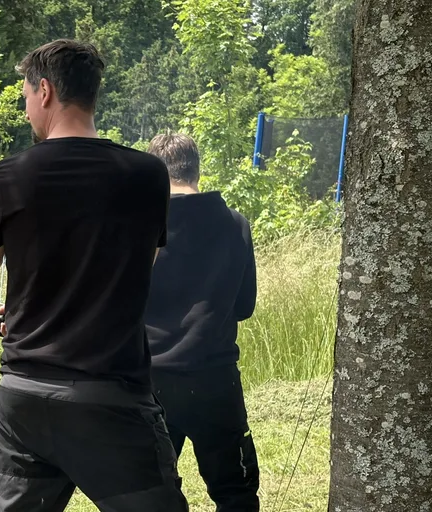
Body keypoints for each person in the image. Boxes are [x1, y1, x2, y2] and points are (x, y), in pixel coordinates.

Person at [0, 39, 189, 512]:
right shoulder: (147, 175)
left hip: (27, 401)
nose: (25, 110)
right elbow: (135, 267)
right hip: (112, 400)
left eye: (24, 96)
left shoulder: (8, 177)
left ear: (45, 91)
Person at [143, 132, 261, 511]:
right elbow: (244, 306)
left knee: (152, 493)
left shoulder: (139, 225)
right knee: (235, 492)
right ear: (196, 170)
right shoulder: (235, 223)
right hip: (215, 377)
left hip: (148, 378)